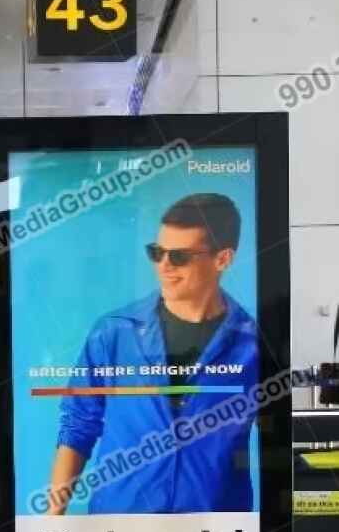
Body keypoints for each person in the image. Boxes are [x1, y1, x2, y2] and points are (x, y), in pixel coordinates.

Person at [47, 193, 257, 515]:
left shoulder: (253, 345)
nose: (164, 266)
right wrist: (53, 518)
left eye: (180, 256)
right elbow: (78, 424)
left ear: (223, 259)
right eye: (157, 253)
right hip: (121, 531)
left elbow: (277, 435)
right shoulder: (114, 333)